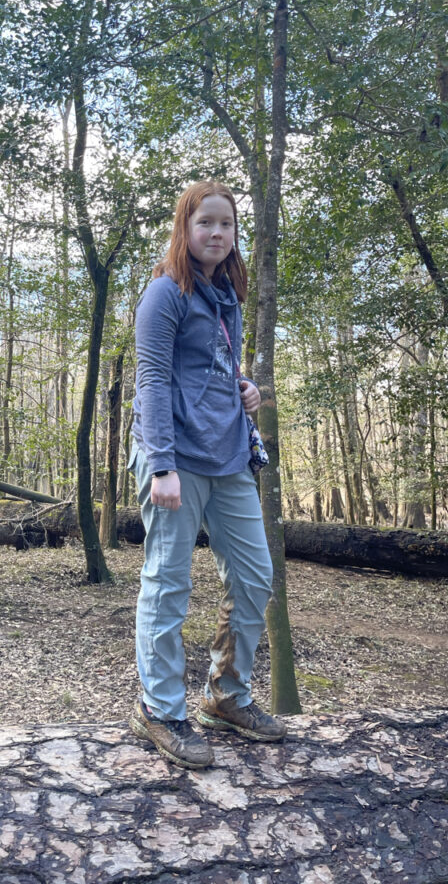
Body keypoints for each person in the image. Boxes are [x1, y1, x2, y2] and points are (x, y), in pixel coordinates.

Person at [128, 180, 287, 769]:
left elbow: (217, 364)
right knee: (168, 585)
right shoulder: (164, 295)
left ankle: (225, 695)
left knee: (255, 579)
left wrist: (243, 387)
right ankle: (160, 709)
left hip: (228, 460)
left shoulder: (228, 296)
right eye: (205, 223)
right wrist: (162, 467)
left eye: (226, 224)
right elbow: (151, 382)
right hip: (174, 460)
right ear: (185, 229)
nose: (216, 233)